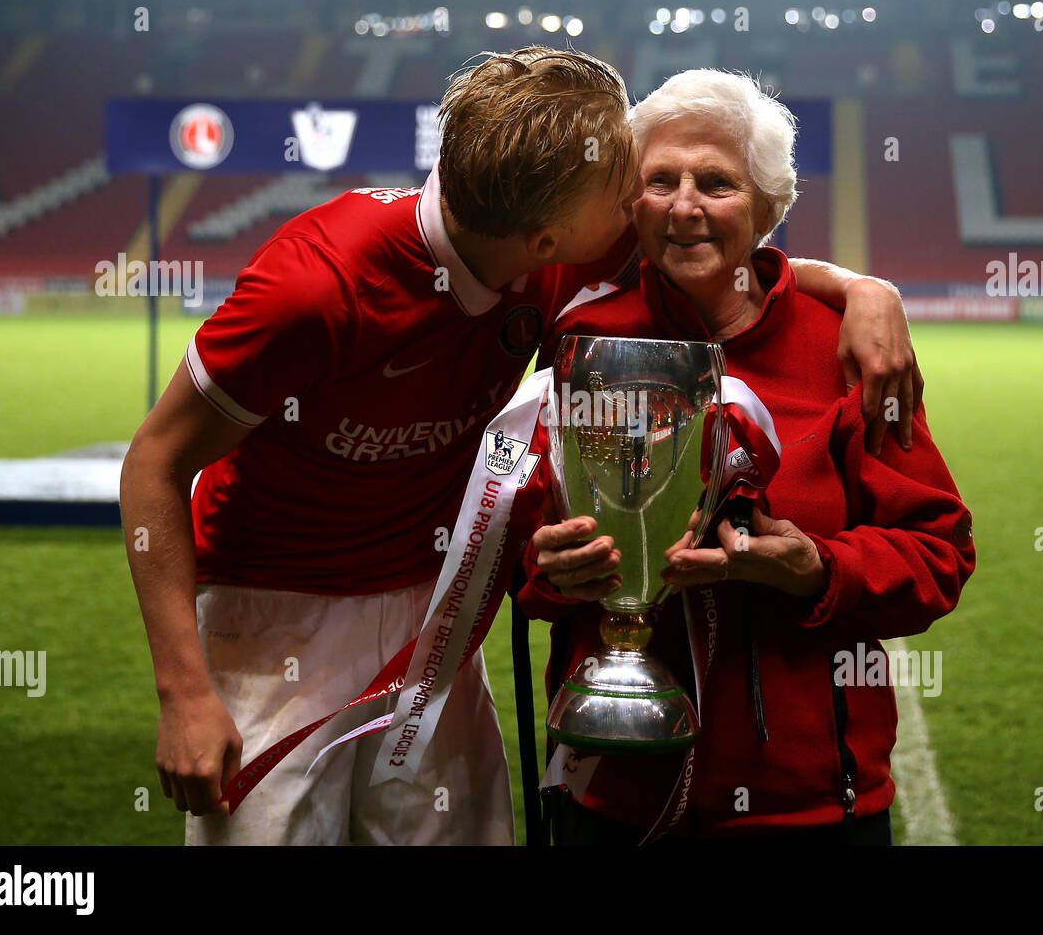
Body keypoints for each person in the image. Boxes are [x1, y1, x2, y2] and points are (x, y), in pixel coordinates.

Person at [120, 48, 922, 846]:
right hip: (272, 616)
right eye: (627, 191)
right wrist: (184, 693)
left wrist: (861, 289)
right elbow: (154, 463)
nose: (646, 210)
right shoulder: (315, 287)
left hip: (431, 611)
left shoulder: (560, 251)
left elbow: (726, 248)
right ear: (552, 239)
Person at [519, 69, 976, 844]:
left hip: (807, 810)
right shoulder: (581, 346)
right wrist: (555, 571)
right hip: (613, 797)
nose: (685, 205)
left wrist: (816, 570)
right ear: (632, 202)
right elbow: (521, 555)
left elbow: (938, 555)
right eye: (660, 179)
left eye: (717, 182)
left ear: (768, 207)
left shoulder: (851, 352)